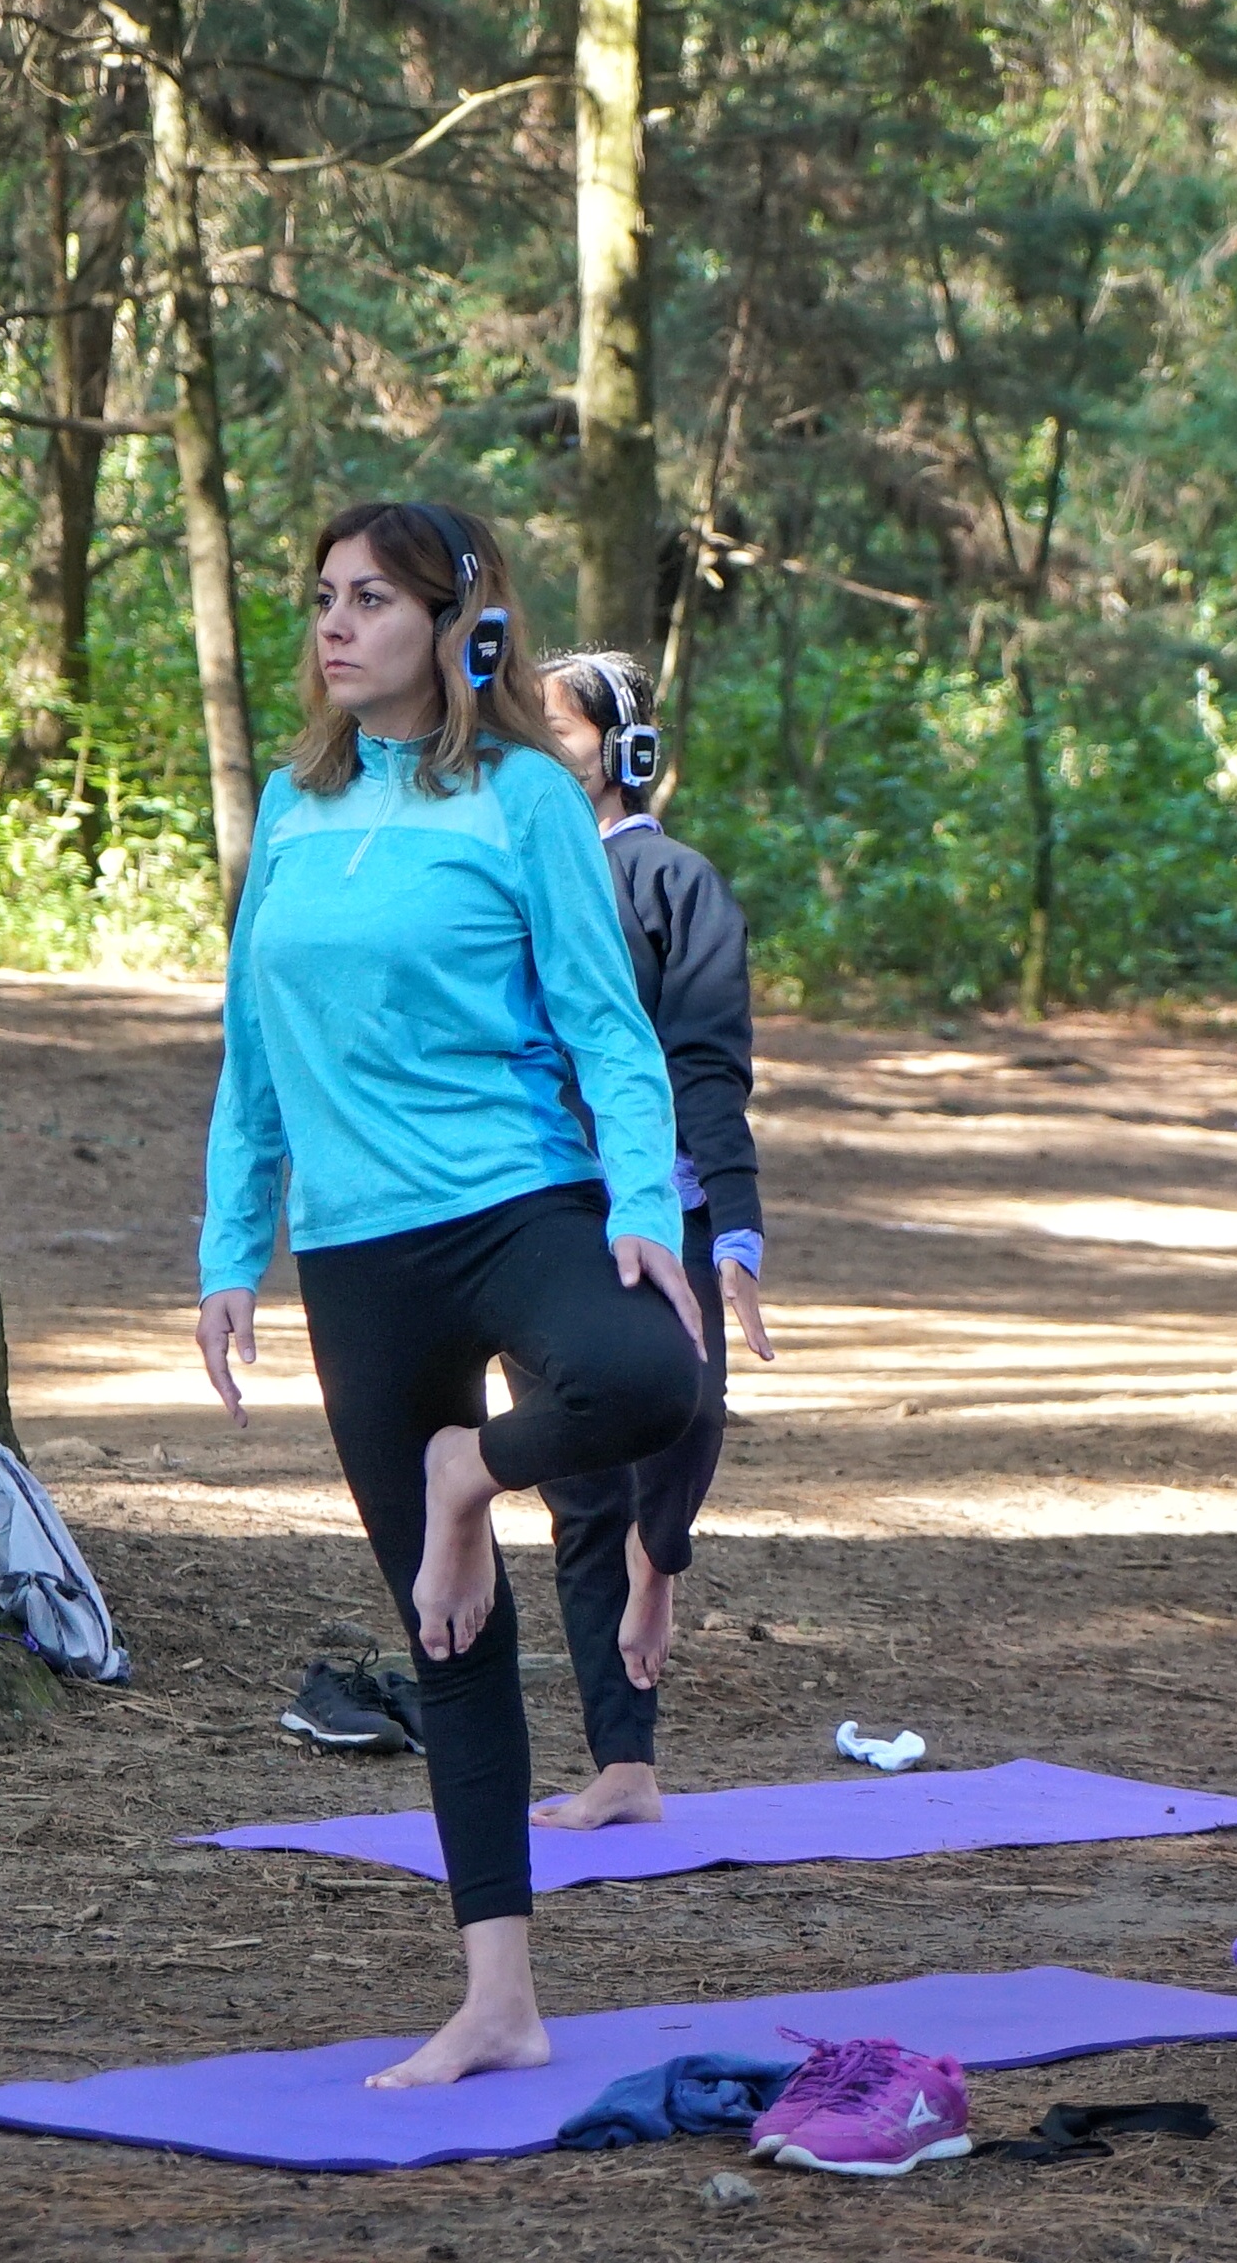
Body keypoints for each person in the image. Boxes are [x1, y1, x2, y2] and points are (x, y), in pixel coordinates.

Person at [194, 502, 704, 2089]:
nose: (336, 626)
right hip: (358, 1253)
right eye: (325, 597)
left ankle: (466, 1473)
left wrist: (641, 1206)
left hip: (517, 1201)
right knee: (447, 1638)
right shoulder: (289, 803)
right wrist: (232, 1246)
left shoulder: (524, 801)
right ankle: (500, 1999)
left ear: (455, 623)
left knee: (651, 1380)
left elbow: (610, 1024)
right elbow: (253, 1054)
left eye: (373, 601)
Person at [524, 649, 772, 1832]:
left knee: (685, 1412)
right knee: (578, 1490)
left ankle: (658, 1564)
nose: (534, 747)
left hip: (660, 1200)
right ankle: (622, 1762)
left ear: (622, 753)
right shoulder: (510, 874)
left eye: (558, 731)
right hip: (531, 1202)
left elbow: (710, 1064)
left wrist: (735, 1225)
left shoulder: (675, 881)